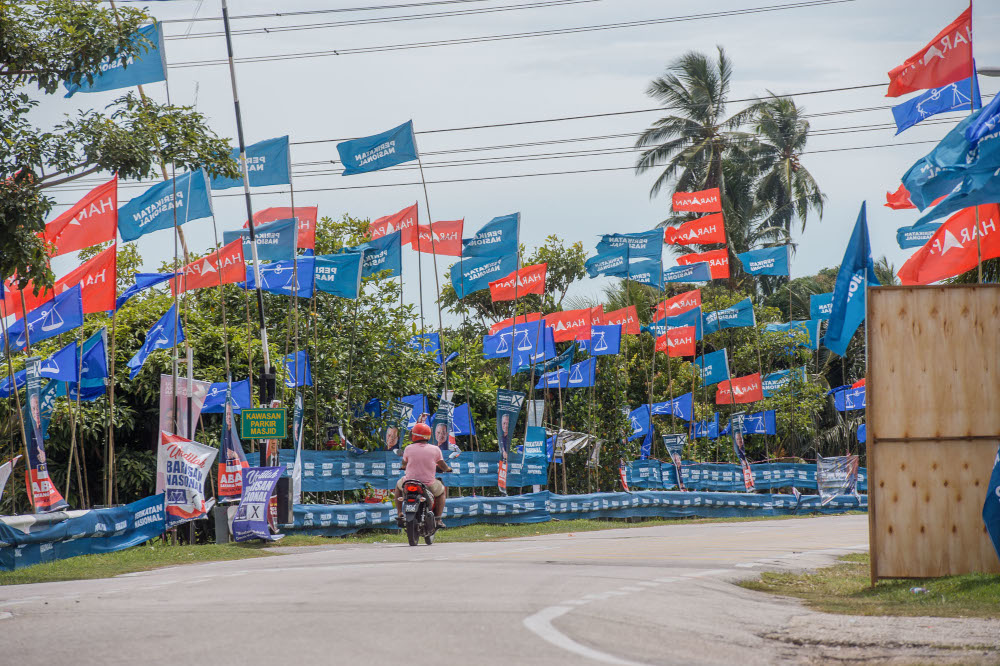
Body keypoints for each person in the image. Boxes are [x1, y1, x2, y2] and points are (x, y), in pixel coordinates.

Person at [395, 422, 451, 528]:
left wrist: (403, 467)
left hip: (409, 482)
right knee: (442, 491)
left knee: (398, 486)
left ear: (415, 435)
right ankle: (438, 519)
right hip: (428, 484)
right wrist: (448, 469)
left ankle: (399, 513)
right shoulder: (435, 449)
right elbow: (443, 466)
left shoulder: (408, 448)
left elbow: (404, 463)